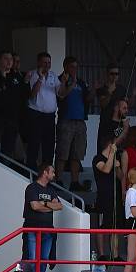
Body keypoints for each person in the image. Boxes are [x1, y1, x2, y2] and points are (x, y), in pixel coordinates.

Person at [23, 164, 63, 272]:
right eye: (52, 172)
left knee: (44, 260)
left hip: (47, 230)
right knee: (32, 259)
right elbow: (34, 206)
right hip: (32, 229)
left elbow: (59, 206)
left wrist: (44, 203)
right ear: (45, 173)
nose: (54, 174)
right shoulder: (32, 188)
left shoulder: (51, 189)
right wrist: (50, 206)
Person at [56, 56, 91, 191]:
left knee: (77, 153)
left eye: (76, 67)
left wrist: (93, 90)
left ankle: (74, 182)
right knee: (62, 152)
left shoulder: (81, 83)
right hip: (66, 120)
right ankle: (58, 180)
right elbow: (60, 95)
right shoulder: (60, 80)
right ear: (65, 67)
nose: (74, 69)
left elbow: (87, 99)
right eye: (72, 67)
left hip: (80, 121)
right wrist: (69, 83)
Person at [25, 52, 62, 167]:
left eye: (49, 62)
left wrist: (67, 83)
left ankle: (47, 174)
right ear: (38, 62)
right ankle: (30, 171)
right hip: (35, 115)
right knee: (34, 144)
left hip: (50, 116)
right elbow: (32, 95)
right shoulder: (31, 74)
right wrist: (40, 79)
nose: (47, 65)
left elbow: (61, 93)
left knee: (49, 145)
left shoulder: (53, 76)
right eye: (44, 62)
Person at [92, 137, 123, 261]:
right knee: (102, 226)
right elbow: (105, 169)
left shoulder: (116, 158)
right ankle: (102, 254)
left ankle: (115, 255)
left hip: (115, 197)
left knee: (114, 226)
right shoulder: (97, 158)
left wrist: (118, 167)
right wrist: (111, 156)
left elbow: (121, 177)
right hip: (103, 196)